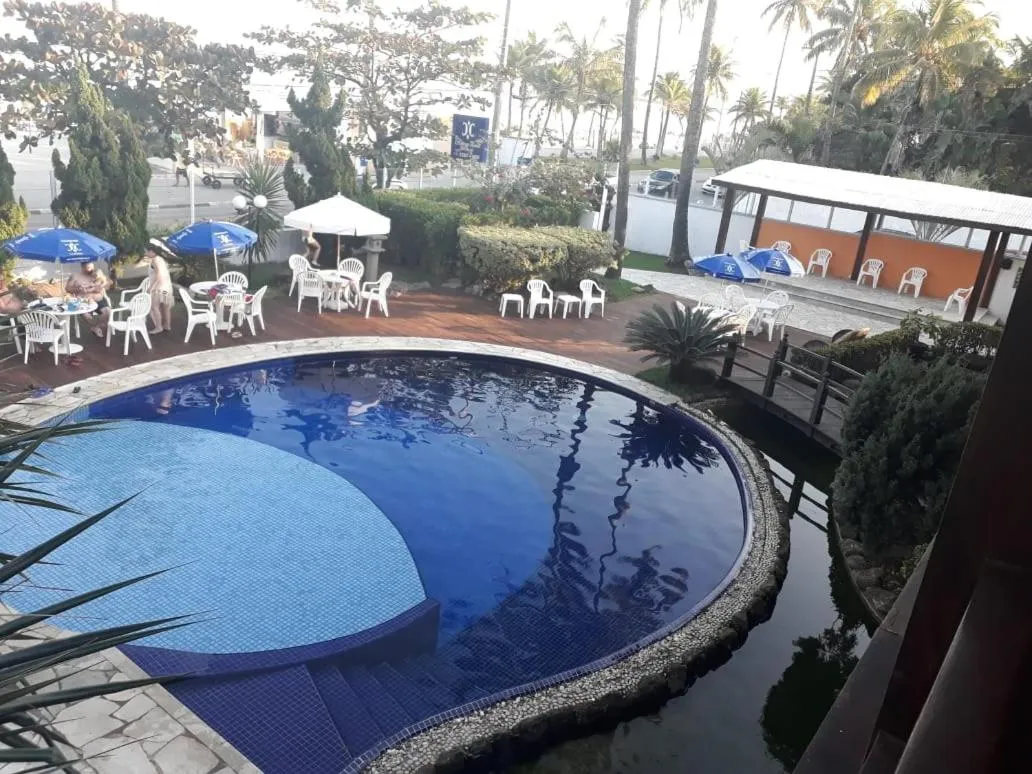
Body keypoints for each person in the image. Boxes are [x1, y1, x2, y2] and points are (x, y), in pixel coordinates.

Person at [66, 262, 112, 337]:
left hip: (98, 298)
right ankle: (96, 326)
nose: (91, 270)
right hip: (84, 301)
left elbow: (109, 283)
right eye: (88, 268)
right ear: (82, 267)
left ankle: (96, 327)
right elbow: (67, 288)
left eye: (92, 267)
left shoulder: (97, 273)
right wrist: (77, 289)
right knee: (87, 316)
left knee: (107, 312)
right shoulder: (75, 276)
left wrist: (102, 285)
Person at [145, 248, 174, 334]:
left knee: (154, 307)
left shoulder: (154, 261)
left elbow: (159, 276)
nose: (145, 253)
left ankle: (158, 327)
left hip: (159, 289)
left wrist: (151, 287)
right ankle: (167, 325)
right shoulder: (161, 259)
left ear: (152, 251)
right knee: (165, 307)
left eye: (146, 251)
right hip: (166, 288)